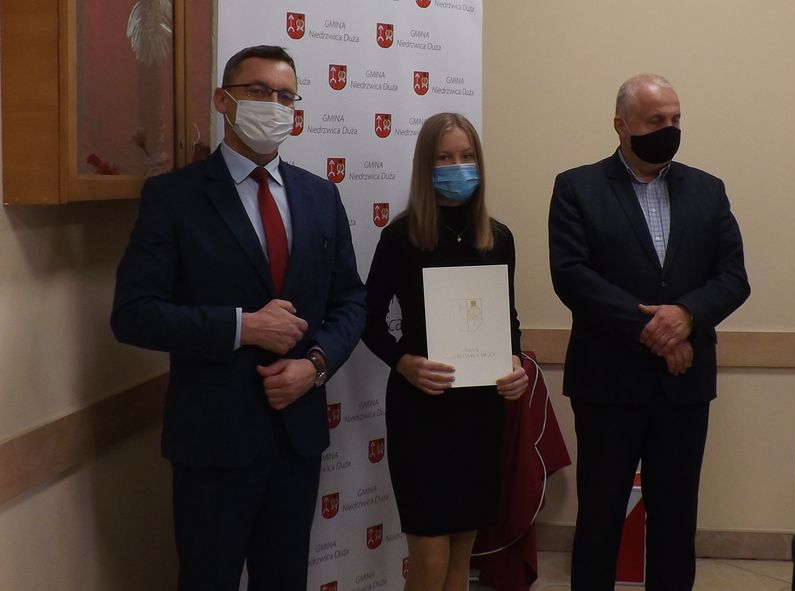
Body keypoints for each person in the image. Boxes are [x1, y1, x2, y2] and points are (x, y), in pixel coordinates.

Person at [111, 45, 366, 591]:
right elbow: (133, 314)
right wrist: (241, 327)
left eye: (285, 96)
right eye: (258, 91)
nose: (273, 104)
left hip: (296, 440)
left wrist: (315, 366)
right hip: (212, 444)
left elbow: (351, 301)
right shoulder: (173, 197)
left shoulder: (321, 197)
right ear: (223, 100)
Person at [548, 74, 750, 591]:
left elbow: (733, 277)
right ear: (621, 126)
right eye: (656, 120)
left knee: (676, 524)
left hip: (684, 388)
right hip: (607, 385)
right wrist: (655, 331)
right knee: (599, 521)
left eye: (676, 118)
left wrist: (687, 316)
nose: (669, 129)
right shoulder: (577, 187)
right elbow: (572, 276)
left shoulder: (708, 190)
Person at [362, 113, 529, 591]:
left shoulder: (498, 237)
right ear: (425, 166)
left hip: (480, 411)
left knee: (460, 554)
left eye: (467, 156)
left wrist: (515, 362)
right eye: (445, 157)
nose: (458, 166)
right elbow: (368, 319)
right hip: (422, 411)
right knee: (430, 559)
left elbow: (507, 320)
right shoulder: (400, 238)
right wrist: (403, 363)